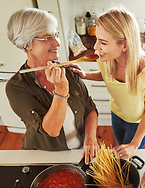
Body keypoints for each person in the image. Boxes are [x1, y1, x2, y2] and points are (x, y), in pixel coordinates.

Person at [6, 8, 99, 162]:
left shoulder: (67, 70)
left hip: (80, 151)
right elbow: (51, 130)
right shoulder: (16, 87)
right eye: (48, 37)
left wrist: (90, 138)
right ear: (27, 44)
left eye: (56, 35)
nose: (57, 43)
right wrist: (61, 91)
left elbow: (90, 109)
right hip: (44, 156)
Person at [69, 8, 145, 159]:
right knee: (119, 147)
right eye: (97, 39)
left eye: (103, 42)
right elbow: (106, 76)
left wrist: (134, 144)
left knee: (126, 158)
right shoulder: (105, 58)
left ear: (124, 45)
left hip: (137, 123)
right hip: (116, 114)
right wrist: (85, 75)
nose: (96, 47)